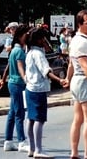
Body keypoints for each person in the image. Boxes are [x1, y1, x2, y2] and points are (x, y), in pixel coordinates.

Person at [25, 27, 67, 157]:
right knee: (39, 119)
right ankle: (38, 149)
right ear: (38, 39)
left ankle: (31, 147)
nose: (45, 40)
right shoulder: (38, 54)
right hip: (39, 89)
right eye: (43, 38)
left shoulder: (30, 52)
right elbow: (46, 71)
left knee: (31, 118)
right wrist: (59, 80)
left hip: (30, 88)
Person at [67, 10, 87, 159]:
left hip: (76, 82)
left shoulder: (76, 40)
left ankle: (74, 152)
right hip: (85, 81)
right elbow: (85, 65)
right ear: (80, 24)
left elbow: (71, 64)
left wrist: (67, 78)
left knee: (78, 119)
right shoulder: (83, 42)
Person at [3, 24, 31, 152]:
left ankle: (8, 140)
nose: (28, 36)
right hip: (17, 84)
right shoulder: (19, 51)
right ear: (21, 36)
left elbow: (8, 67)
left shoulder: (14, 50)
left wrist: (3, 79)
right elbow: (20, 67)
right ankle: (22, 141)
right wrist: (25, 78)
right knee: (19, 112)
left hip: (12, 83)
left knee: (12, 112)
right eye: (27, 34)